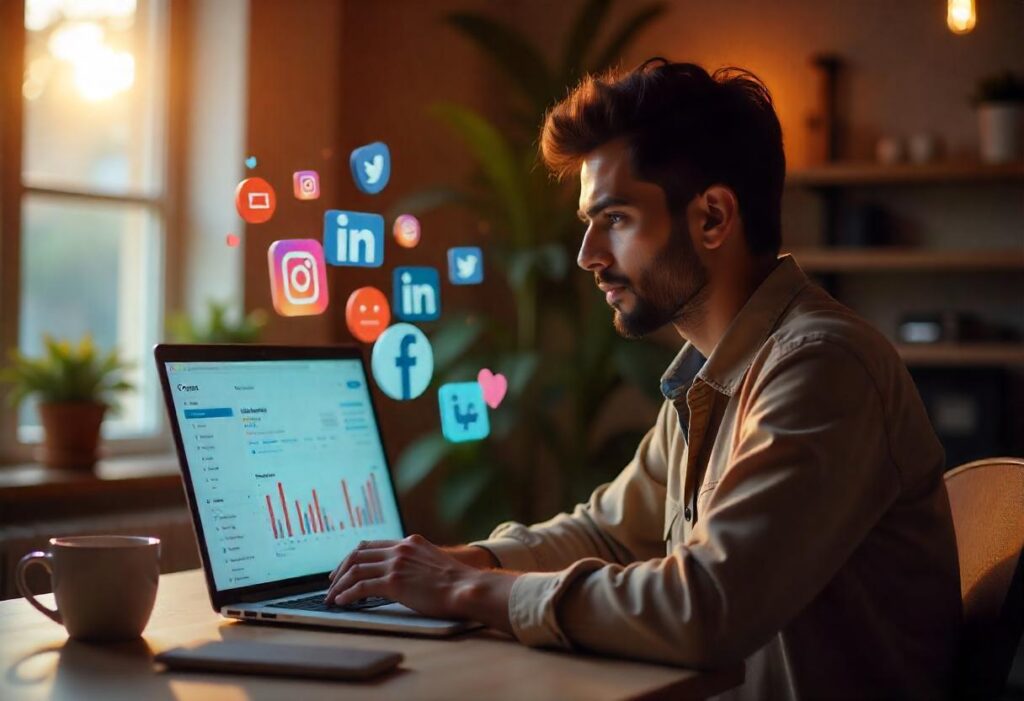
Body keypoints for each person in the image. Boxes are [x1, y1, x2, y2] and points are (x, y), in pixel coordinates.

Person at [324, 58, 962, 699]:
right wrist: (462, 563)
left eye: (617, 219)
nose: (587, 257)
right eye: (588, 224)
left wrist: (466, 591)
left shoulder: (823, 367)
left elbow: (707, 605)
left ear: (713, 217)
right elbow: (608, 532)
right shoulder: (708, 376)